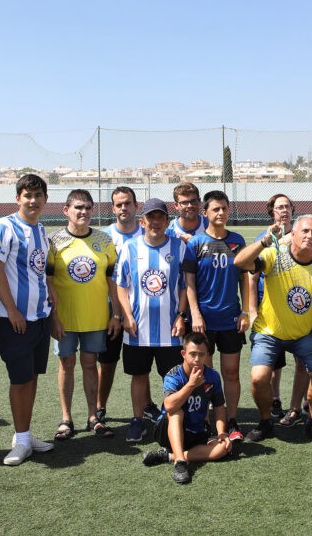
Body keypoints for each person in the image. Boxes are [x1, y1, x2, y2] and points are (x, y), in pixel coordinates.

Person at [234, 215, 312, 444]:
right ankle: (265, 421)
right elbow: (240, 262)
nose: (309, 236)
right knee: (259, 377)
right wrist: (264, 242)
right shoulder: (274, 255)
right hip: (269, 332)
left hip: (304, 334)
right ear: (294, 234)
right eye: (305, 231)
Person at [0, 174, 57, 465]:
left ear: (45, 199)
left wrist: (50, 297)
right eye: (27, 195)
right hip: (14, 319)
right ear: (18, 198)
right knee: (20, 380)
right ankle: (21, 438)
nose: (33, 200)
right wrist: (12, 309)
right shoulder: (5, 226)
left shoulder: (41, 230)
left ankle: (24, 435)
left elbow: (39, 271)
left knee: (32, 377)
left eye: (38, 195)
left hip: (40, 317)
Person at [47, 189, 120, 440]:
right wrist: (53, 317)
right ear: (66, 210)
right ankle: (66, 418)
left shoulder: (104, 240)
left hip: (96, 317)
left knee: (90, 365)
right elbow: (47, 282)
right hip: (64, 318)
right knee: (66, 364)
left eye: (88, 207)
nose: (84, 212)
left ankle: (93, 417)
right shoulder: (54, 241)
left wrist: (116, 314)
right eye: (79, 207)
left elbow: (112, 281)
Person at [115, 198, 189, 443]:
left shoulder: (179, 247)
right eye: (150, 217)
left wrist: (181, 315)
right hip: (138, 328)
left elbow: (184, 287)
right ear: (142, 221)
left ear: (167, 221)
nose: (155, 222)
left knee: (173, 376)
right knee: (139, 376)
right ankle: (138, 421)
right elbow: (121, 286)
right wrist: (126, 316)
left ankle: (173, 418)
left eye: (160, 217)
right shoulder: (130, 247)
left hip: (170, 330)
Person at [183, 190, 249, 442]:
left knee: (231, 373)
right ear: (205, 212)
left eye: (224, 208)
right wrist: (195, 314)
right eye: (215, 209)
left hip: (230, 320)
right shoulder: (195, 243)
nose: (221, 213)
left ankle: (231, 421)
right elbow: (188, 282)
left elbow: (245, 279)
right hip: (203, 322)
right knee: (205, 376)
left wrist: (245, 310)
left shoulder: (238, 241)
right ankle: (208, 422)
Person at [140, 333, 233, 484]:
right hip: (167, 430)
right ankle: (180, 464)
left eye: (201, 354)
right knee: (176, 410)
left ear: (207, 355)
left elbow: (219, 407)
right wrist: (191, 385)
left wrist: (222, 433)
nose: (197, 359)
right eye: (193, 354)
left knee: (223, 448)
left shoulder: (213, 376)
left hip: (196, 433)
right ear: (183, 354)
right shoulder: (174, 375)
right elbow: (169, 405)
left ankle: (170, 457)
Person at [248, 194, 300, 422]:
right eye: (280, 207)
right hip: (269, 304)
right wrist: (252, 309)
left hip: (297, 304)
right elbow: (252, 277)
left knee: (302, 357)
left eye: (288, 206)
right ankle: (275, 398)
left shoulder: (301, 235)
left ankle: (300, 405)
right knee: (273, 360)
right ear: (272, 212)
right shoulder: (264, 238)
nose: (284, 210)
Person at [100, 187, 145, 424]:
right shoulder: (103, 236)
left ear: (136, 206)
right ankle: (100, 407)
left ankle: (146, 407)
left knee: (142, 366)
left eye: (127, 203)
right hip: (109, 311)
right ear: (112, 208)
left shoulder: (147, 233)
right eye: (119, 204)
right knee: (107, 363)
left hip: (141, 310)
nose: (123, 208)